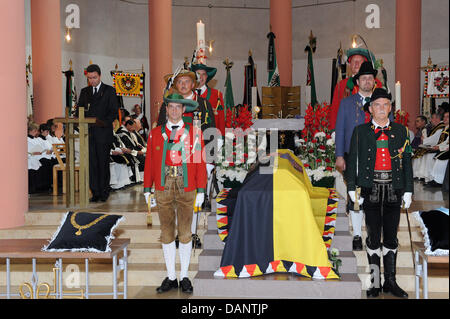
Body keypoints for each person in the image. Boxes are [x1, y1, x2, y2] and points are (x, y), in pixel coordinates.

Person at [346, 88, 412, 298]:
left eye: (385, 104)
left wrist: (408, 190)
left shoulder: (402, 131)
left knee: (391, 236)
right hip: (370, 188)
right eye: (377, 105)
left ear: (390, 108)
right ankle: (375, 281)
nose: (381, 108)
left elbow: (408, 163)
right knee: (373, 236)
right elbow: (353, 162)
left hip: (394, 189)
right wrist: (351, 188)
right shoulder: (360, 131)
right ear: (371, 109)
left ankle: (390, 282)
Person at [143, 93, 207, 294]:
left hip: (186, 186)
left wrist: (201, 189)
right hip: (162, 187)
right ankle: (171, 276)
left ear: (183, 110)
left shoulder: (194, 133)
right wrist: (147, 188)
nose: (174, 111)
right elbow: (150, 162)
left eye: (178, 107)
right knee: (167, 232)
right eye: (170, 107)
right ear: (166, 109)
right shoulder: (155, 133)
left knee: (186, 232)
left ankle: (185, 275)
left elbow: (199, 161)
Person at [158, 69, 218, 248]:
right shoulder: (168, 104)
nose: (183, 85)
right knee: (175, 198)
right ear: (176, 85)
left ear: (194, 84)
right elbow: (161, 128)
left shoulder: (204, 104)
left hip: (198, 157)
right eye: (180, 82)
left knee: (192, 199)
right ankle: (178, 233)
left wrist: (210, 159)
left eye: (187, 81)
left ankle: (191, 234)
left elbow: (212, 131)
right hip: (174, 158)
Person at [334, 61, 377, 251]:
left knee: (373, 196)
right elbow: (340, 130)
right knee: (356, 196)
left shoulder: (381, 102)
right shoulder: (346, 103)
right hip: (352, 157)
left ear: (374, 81)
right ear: (358, 82)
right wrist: (339, 156)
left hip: (376, 158)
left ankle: (372, 234)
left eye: (370, 78)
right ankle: (357, 235)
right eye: (363, 78)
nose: (367, 81)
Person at [77, 64, 119, 202]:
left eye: (94, 77)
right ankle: (94, 192)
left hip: (103, 133)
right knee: (92, 164)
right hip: (88, 133)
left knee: (103, 163)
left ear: (99, 76)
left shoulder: (109, 91)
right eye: (89, 78)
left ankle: (104, 192)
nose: (92, 80)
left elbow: (113, 112)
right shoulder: (85, 92)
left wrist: (102, 122)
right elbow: (79, 111)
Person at [329, 48, 383, 129]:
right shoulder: (341, 85)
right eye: (353, 61)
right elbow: (335, 110)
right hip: (349, 129)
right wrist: (334, 130)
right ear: (349, 65)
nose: (356, 63)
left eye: (359, 61)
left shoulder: (376, 83)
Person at [191, 63, 226, 136]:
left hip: (211, 136)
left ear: (207, 76)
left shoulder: (217, 94)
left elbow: (221, 119)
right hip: (192, 136)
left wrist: (221, 137)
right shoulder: (188, 95)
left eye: (203, 74)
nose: (200, 77)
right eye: (198, 74)